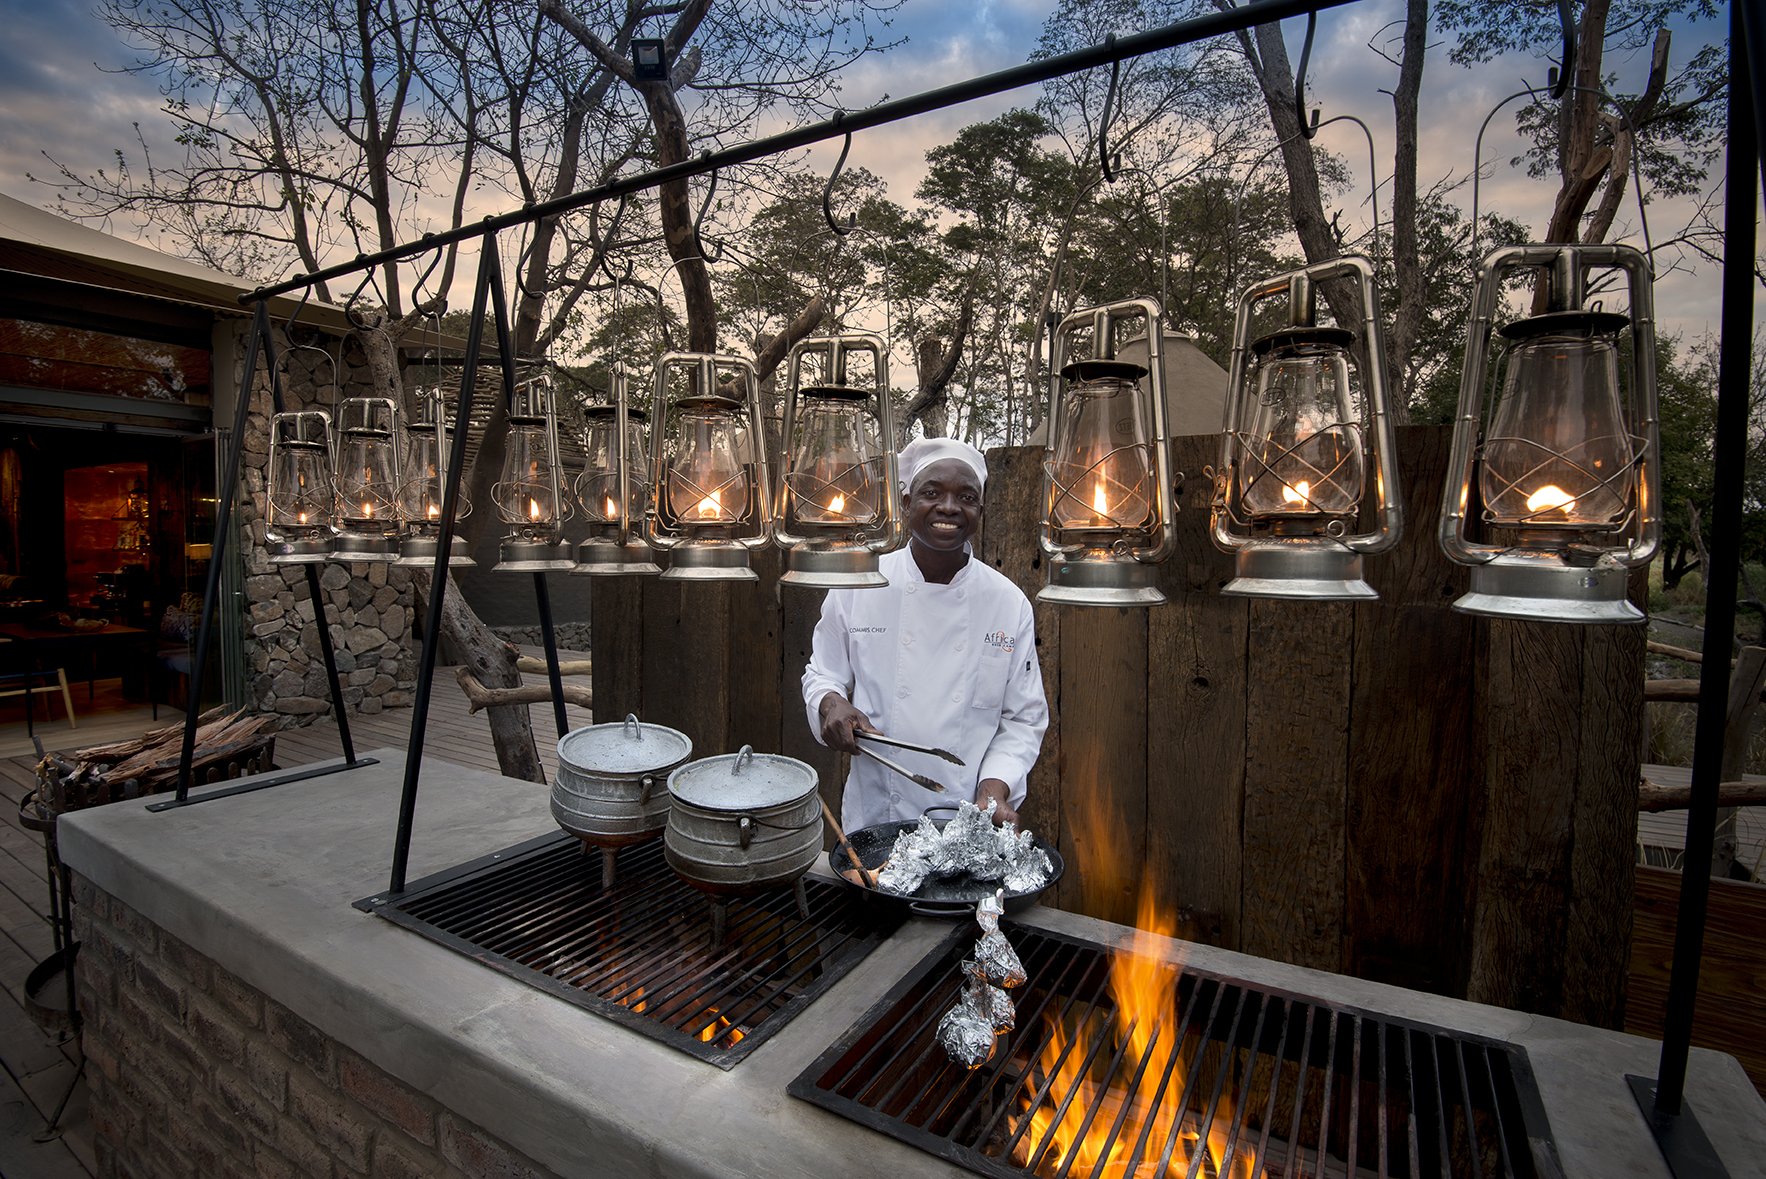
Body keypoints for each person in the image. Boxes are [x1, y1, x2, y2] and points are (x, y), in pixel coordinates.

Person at [801, 437, 1049, 832]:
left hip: (966, 818)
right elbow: (823, 673)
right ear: (905, 503)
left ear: (979, 511)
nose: (948, 507)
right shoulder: (858, 584)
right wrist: (832, 705)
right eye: (931, 492)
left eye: (966, 497)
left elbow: (1021, 718)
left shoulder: (1007, 602)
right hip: (874, 817)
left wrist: (994, 790)